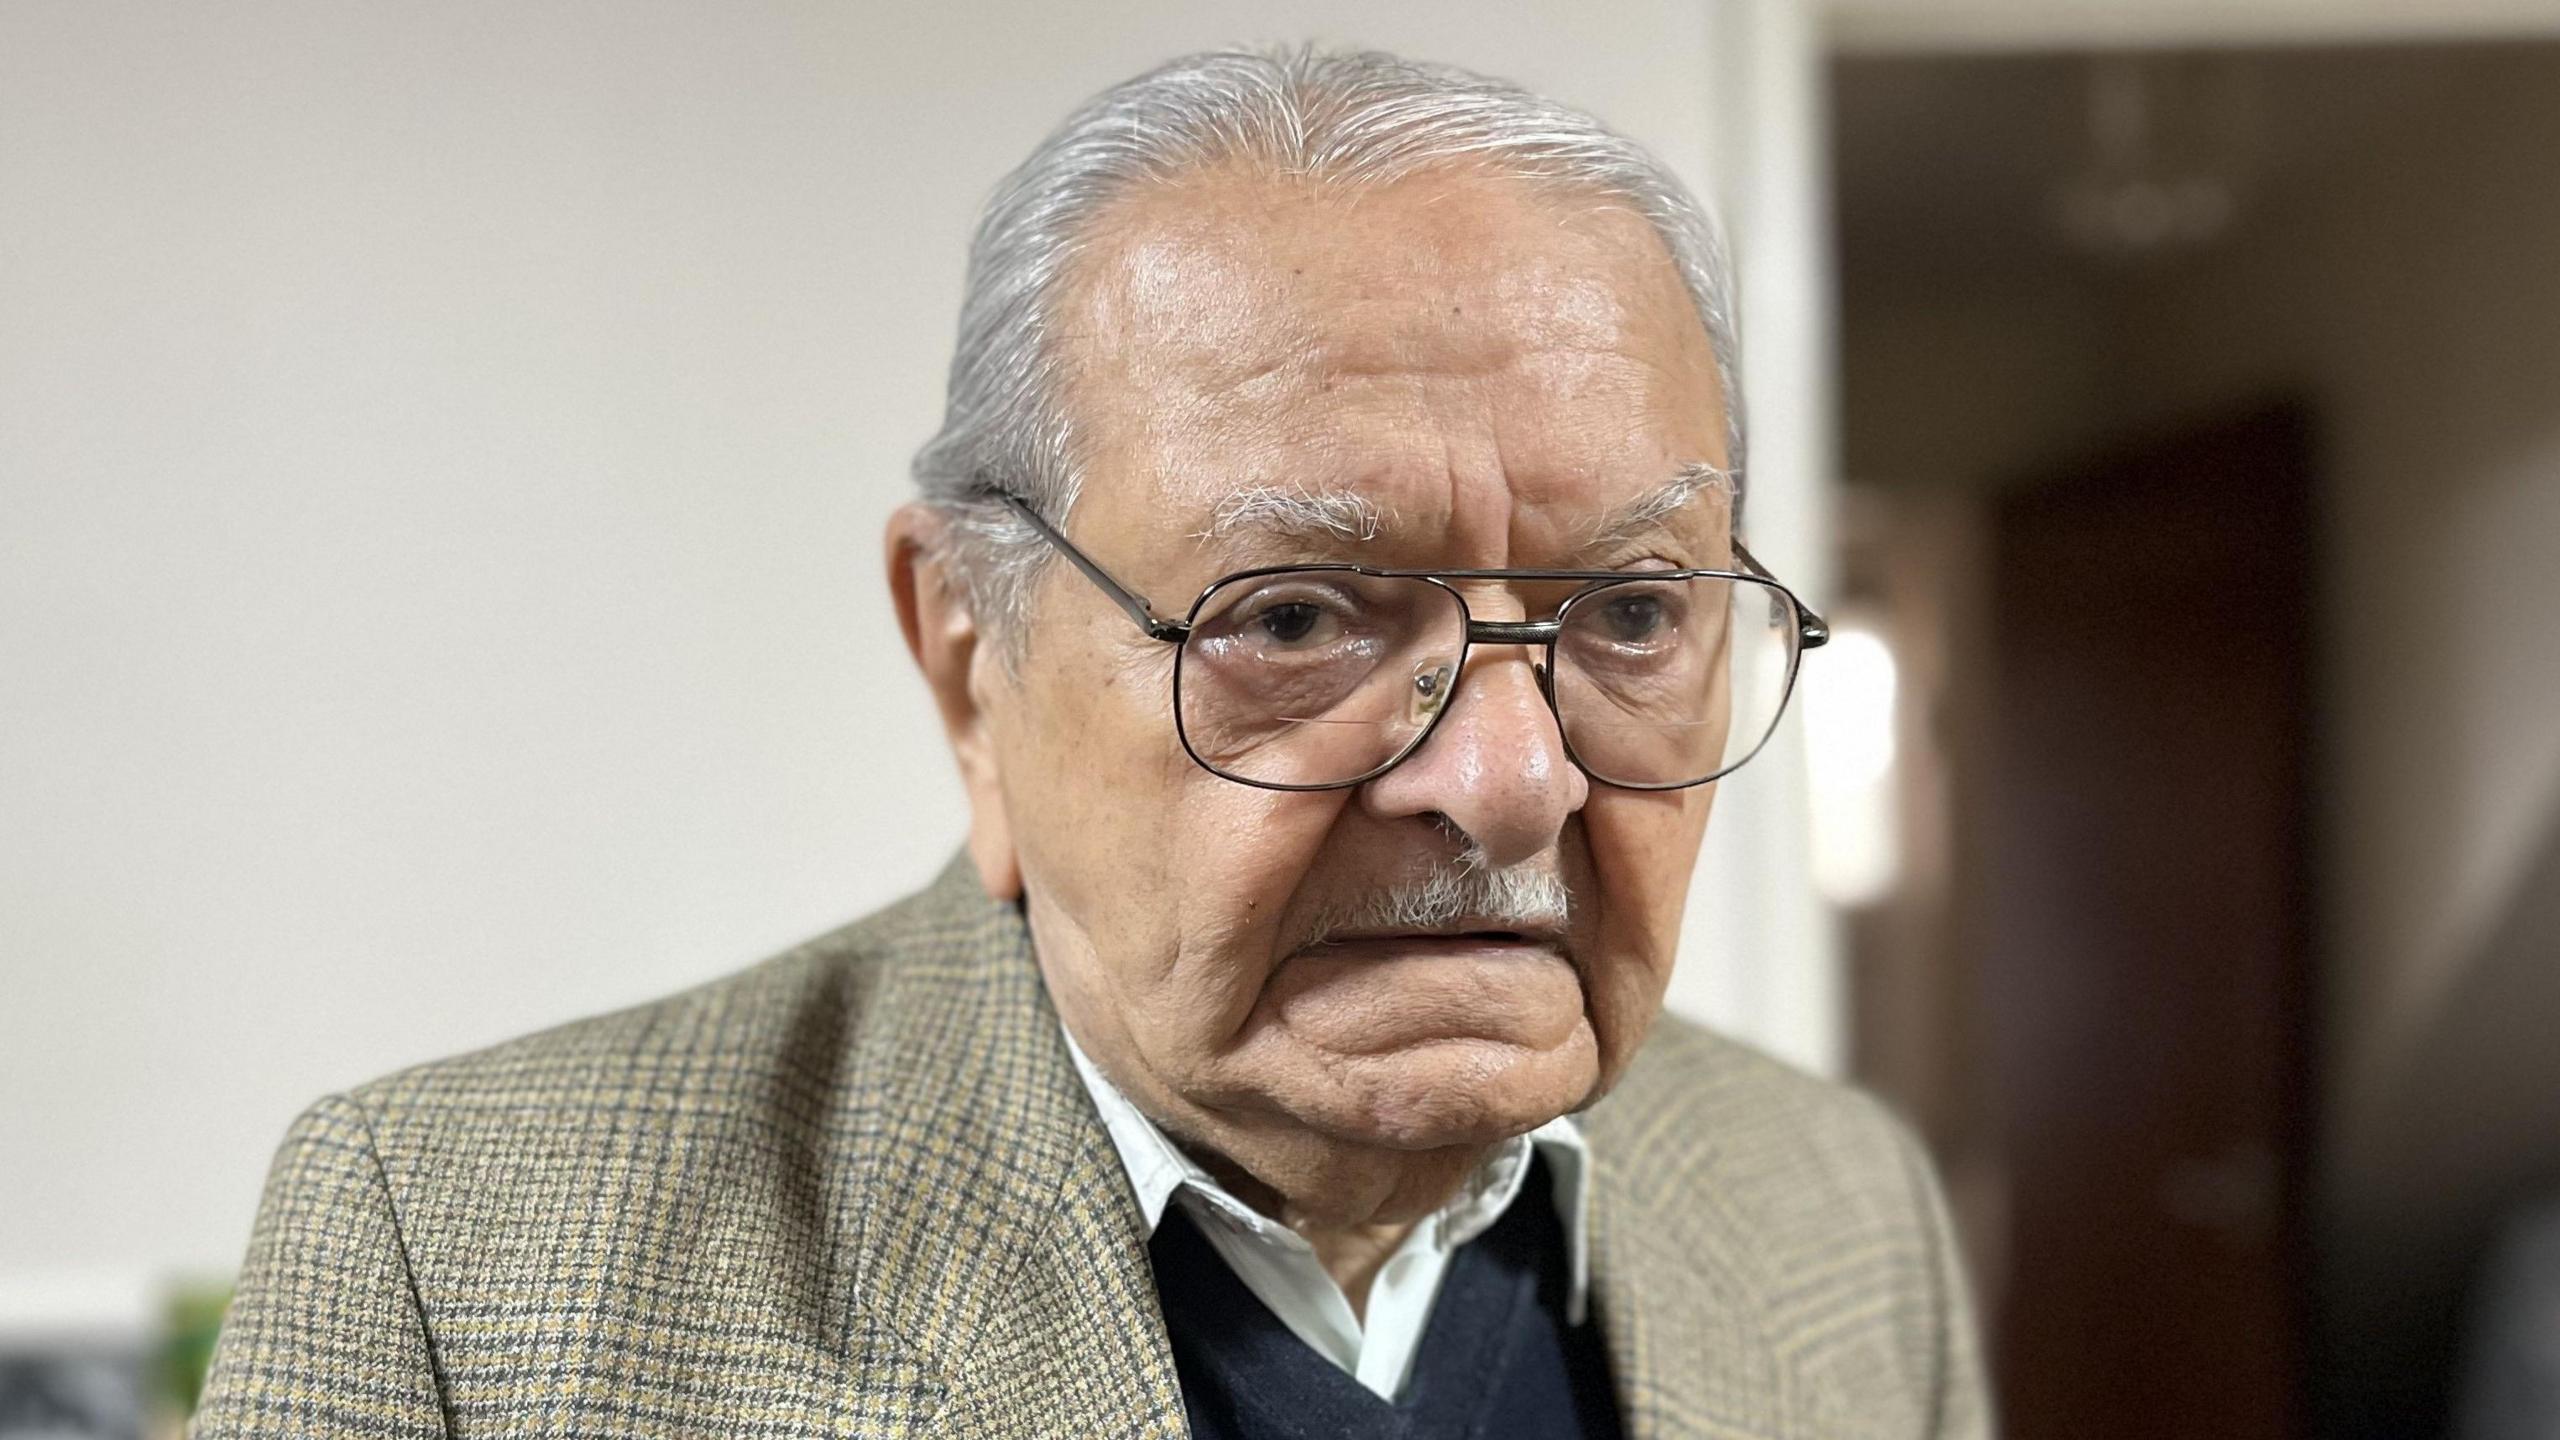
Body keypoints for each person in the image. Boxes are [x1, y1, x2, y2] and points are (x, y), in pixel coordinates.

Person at [196, 47, 1989, 1438]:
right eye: (1294, 617)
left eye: (1626, 616)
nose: (1512, 779)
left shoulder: (1835, 1211)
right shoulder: (458, 1269)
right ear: (971, 662)